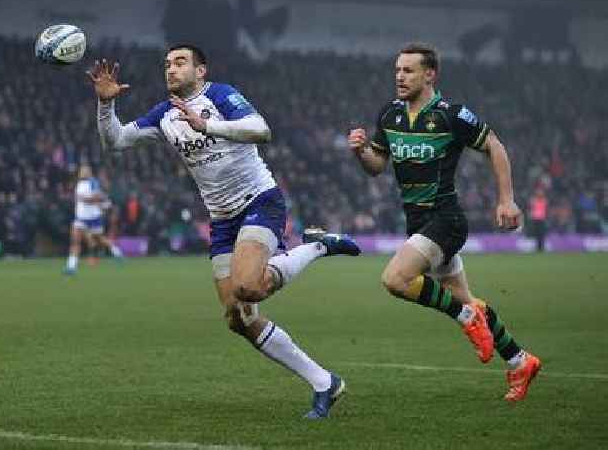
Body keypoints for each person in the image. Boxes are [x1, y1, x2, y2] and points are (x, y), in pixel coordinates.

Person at [87, 44, 360, 418]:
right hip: (222, 220)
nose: (171, 69)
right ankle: (324, 382)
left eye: (180, 62)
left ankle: (318, 247)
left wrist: (207, 125)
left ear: (201, 70)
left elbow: (261, 130)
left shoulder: (220, 95)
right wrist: (106, 105)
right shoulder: (164, 114)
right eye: (167, 64)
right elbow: (115, 141)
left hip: (259, 201)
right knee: (239, 317)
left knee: (249, 286)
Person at [347, 43, 541, 401]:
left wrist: (506, 199)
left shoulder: (452, 114)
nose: (400, 77)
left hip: (445, 219)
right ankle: (519, 360)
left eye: (408, 71)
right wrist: (362, 151)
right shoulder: (389, 115)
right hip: (418, 222)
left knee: (395, 279)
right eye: (397, 70)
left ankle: (466, 318)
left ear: (430, 74)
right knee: (464, 297)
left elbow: (494, 146)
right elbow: (376, 167)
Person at [64, 165, 123, 274]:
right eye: (82, 170)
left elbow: (97, 198)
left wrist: (83, 199)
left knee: (99, 239)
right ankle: (71, 267)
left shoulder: (93, 182)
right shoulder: (79, 184)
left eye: (85, 171)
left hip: (93, 217)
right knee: (75, 241)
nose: (82, 172)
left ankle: (117, 252)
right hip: (80, 217)